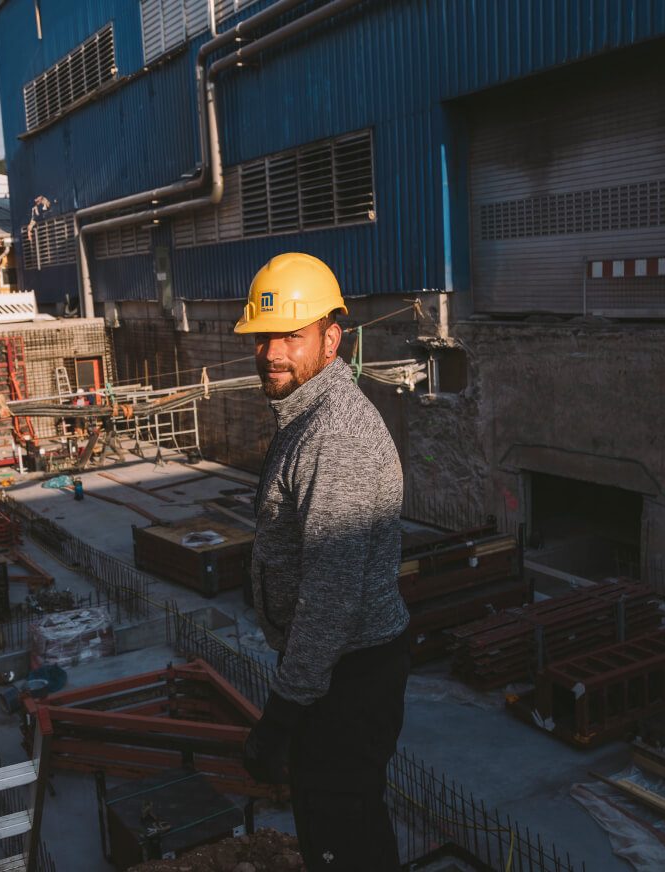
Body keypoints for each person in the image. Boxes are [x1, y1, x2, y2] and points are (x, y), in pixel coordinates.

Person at [236, 252, 410, 871]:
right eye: (263, 337)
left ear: (331, 340)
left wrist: (280, 718)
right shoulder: (305, 414)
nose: (272, 352)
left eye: (291, 335)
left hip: (346, 678)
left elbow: (332, 598)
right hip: (333, 672)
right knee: (345, 827)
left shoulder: (334, 434)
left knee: (342, 839)